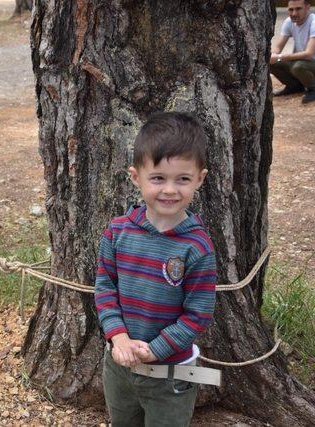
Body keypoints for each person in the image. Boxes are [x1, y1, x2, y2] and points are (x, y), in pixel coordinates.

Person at [95, 112, 217, 427]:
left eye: (183, 179)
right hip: (119, 366)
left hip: (171, 375)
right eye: (158, 178)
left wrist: (156, 349)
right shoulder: (117, 232)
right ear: (137, 177)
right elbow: (106, 287)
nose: (170, 190)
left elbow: (197, 315)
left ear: (200, 179)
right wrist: (119, 338)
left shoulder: (198, 248)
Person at [270, 0, 315, 104]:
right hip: (302, 62)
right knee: (271, 62)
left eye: (298, 9)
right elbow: (278, 48)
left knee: (298, 66)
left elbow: (309, 54)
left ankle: (313, 88)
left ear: (308, 7)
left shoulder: (313, 22)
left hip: (309, 62)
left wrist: (279, 56)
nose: (294, 13)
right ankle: (294, 86)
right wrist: (272, 57)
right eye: (291, 10)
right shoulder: (289, 22)